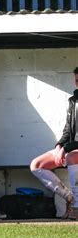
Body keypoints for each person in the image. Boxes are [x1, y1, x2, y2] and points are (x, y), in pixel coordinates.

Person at [30, 67, 78, 219]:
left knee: (71, 157)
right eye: (77, 80)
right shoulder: (73, 100)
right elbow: (67, 129)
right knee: (36, 165)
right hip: (71, 147)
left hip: (73, 149)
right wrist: (59, 145)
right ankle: (69, 197)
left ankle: (77, 206)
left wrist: (66, 148)